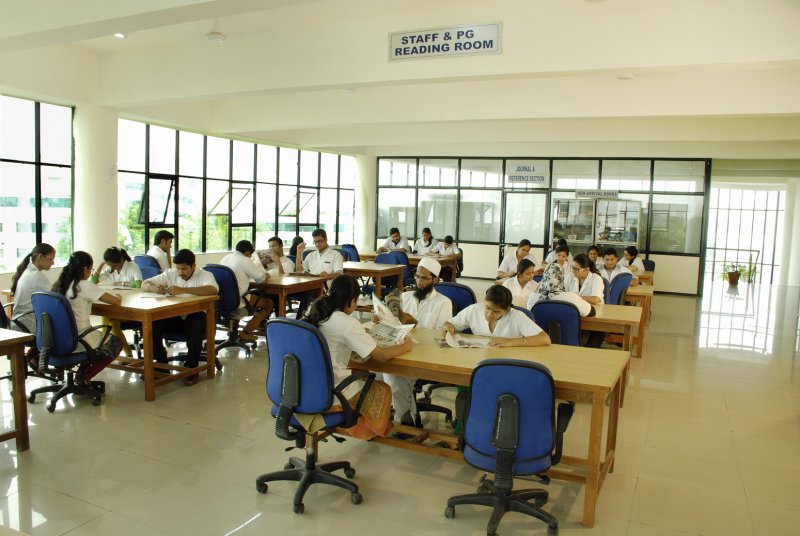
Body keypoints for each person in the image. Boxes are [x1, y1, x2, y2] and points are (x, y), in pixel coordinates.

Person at [304, 275, 412, 437]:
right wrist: (406, 346)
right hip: (331, 391)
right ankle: (371, 431)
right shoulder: (348, 323)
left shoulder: (314, 311)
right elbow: (381, 356)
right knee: (383, 389)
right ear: (352, 300)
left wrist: (359, 333)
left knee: (362, 374)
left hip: (306, 386)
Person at [384, 257, 452, 424]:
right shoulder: (405, 297)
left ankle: (404, 421)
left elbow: (440, 337)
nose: (419, 282)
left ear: (435, 280)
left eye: (424, 278)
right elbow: (393, 324)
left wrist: (414, 324)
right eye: (417, 277)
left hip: (426, 355)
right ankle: (386, 417)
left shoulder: (444, 303)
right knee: (375, 370)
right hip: (400, 349)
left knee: (394, 376)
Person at [141, 249, 219, 386]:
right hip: (176, 318)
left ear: (193, 266)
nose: (180, 272)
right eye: (178, 268)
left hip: (199, 319)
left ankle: (191, 367)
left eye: (184, 269)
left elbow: (213, 290)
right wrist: (154, 288)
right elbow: (145, 283)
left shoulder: (205, 275)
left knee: (194, 320)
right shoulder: (171, 273)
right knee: (153, 322)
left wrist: (184, 290)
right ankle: (161, 363)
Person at [52, 251, 123, 388]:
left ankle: (82, 374)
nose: (90, 272)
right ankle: (85, 375)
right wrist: (118, 297)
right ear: (85, 269)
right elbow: (115, 302)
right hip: (79, 336)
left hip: (59, 337)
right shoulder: (84, 285)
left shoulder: (60, 284)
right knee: (116, 343)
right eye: (91, 269)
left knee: (96, 345)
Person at [443, 286, 550, 347]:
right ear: (484, 301)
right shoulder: (474, 310)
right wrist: (448, 327)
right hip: (479, 358)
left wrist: (511, 342)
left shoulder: (516, 316)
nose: (489, 314)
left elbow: (545, 339)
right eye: (487, 307)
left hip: (507, 360)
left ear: (506, 309)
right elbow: (450, 323)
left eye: (497, 312)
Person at [10, 243, 56, 369]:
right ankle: (38, 358)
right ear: (40, 257)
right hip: (27, 325)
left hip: (19, 322)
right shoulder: (37, 276)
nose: (53, 263)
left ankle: (32, 357)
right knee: (64, 329)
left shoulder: (27, 272)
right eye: (51, 259)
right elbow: (56, 298)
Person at [92, 246, 143, 357]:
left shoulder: (132, 266)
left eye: (114, 265)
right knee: (112, 322)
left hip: (131, 308)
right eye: (110, 265)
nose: (112, 268)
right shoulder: (110, 269)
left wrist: (123, 283)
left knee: (107, 318)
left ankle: (104, 350)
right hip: (116, 305)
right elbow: (94, 281)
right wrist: (101, 264)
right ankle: (127, 353)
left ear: (121, 260)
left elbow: (139, 284)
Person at [220, 240, 273, 341]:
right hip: (238, 300)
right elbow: (261, 280)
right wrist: (266, 275)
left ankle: (233, 331)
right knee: (268, 304)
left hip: (221, 301)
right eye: (250, 255)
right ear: (247, 253)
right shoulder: (245, 260)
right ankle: (247, 332)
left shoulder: (225, 259)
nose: (250, 257)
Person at [294, 229, 344, 318]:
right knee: (292, 293)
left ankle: (299, 320)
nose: (317, 244)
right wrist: (299, 253)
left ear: (326, 239)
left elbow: (339, 273)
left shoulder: (336, 255)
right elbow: (299, 271)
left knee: (309, 294)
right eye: (315, 242)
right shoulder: (311, 255)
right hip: (310, 285)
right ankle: (296, 320)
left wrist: (328, 275)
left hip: (326, 288)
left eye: (320, 241)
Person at [527, 259, 593, 316]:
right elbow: (591, 312)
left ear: (544, 277)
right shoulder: (571, 298)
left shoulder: (532, 298)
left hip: (540, 327)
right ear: (561, 278)